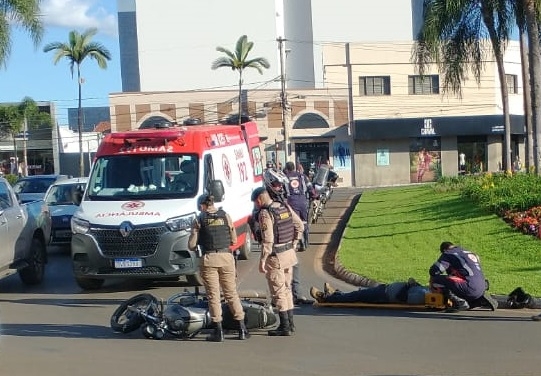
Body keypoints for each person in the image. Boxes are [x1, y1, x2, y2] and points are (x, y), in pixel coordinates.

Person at [188, 194, 249, 342]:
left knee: (213, 296)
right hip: (226, 257)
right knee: (231, 294)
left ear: (202, 205)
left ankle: (218, 331)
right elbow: (234, 239)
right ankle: (242, 329)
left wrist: (195, 232)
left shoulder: (199, 219)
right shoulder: (225, 215)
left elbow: (191, 245)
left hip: (209, 260)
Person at [251, 169, 304, 336]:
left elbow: (268, 240)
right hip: (289, 253)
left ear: (259, 200)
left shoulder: (266, 213)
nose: (255, 205)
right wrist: (294, 243)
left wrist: (262, 260)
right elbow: (300, 226)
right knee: (287, 289)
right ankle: (291, 323)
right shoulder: (284, 206)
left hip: (276, 257)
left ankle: (284, 326)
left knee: (278, 291)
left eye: (255, 202)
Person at [429, 241, 497, 311]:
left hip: (469, 286)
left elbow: (435, 270)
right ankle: (478, 299)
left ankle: (460, 302)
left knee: (437, 280)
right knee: (463, 278)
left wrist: (431, 281)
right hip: (482, 285)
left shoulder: (448, 254)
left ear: (444, 250)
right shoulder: (468, 252)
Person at [310, 279, 429, 305]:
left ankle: (326, 298)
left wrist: (408, 285)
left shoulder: (423, 295)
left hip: (384, 295)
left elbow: (402, 297)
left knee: (356, 296)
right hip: (384, 289)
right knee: (358, 293)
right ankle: (336, 294)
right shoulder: (426, 290)